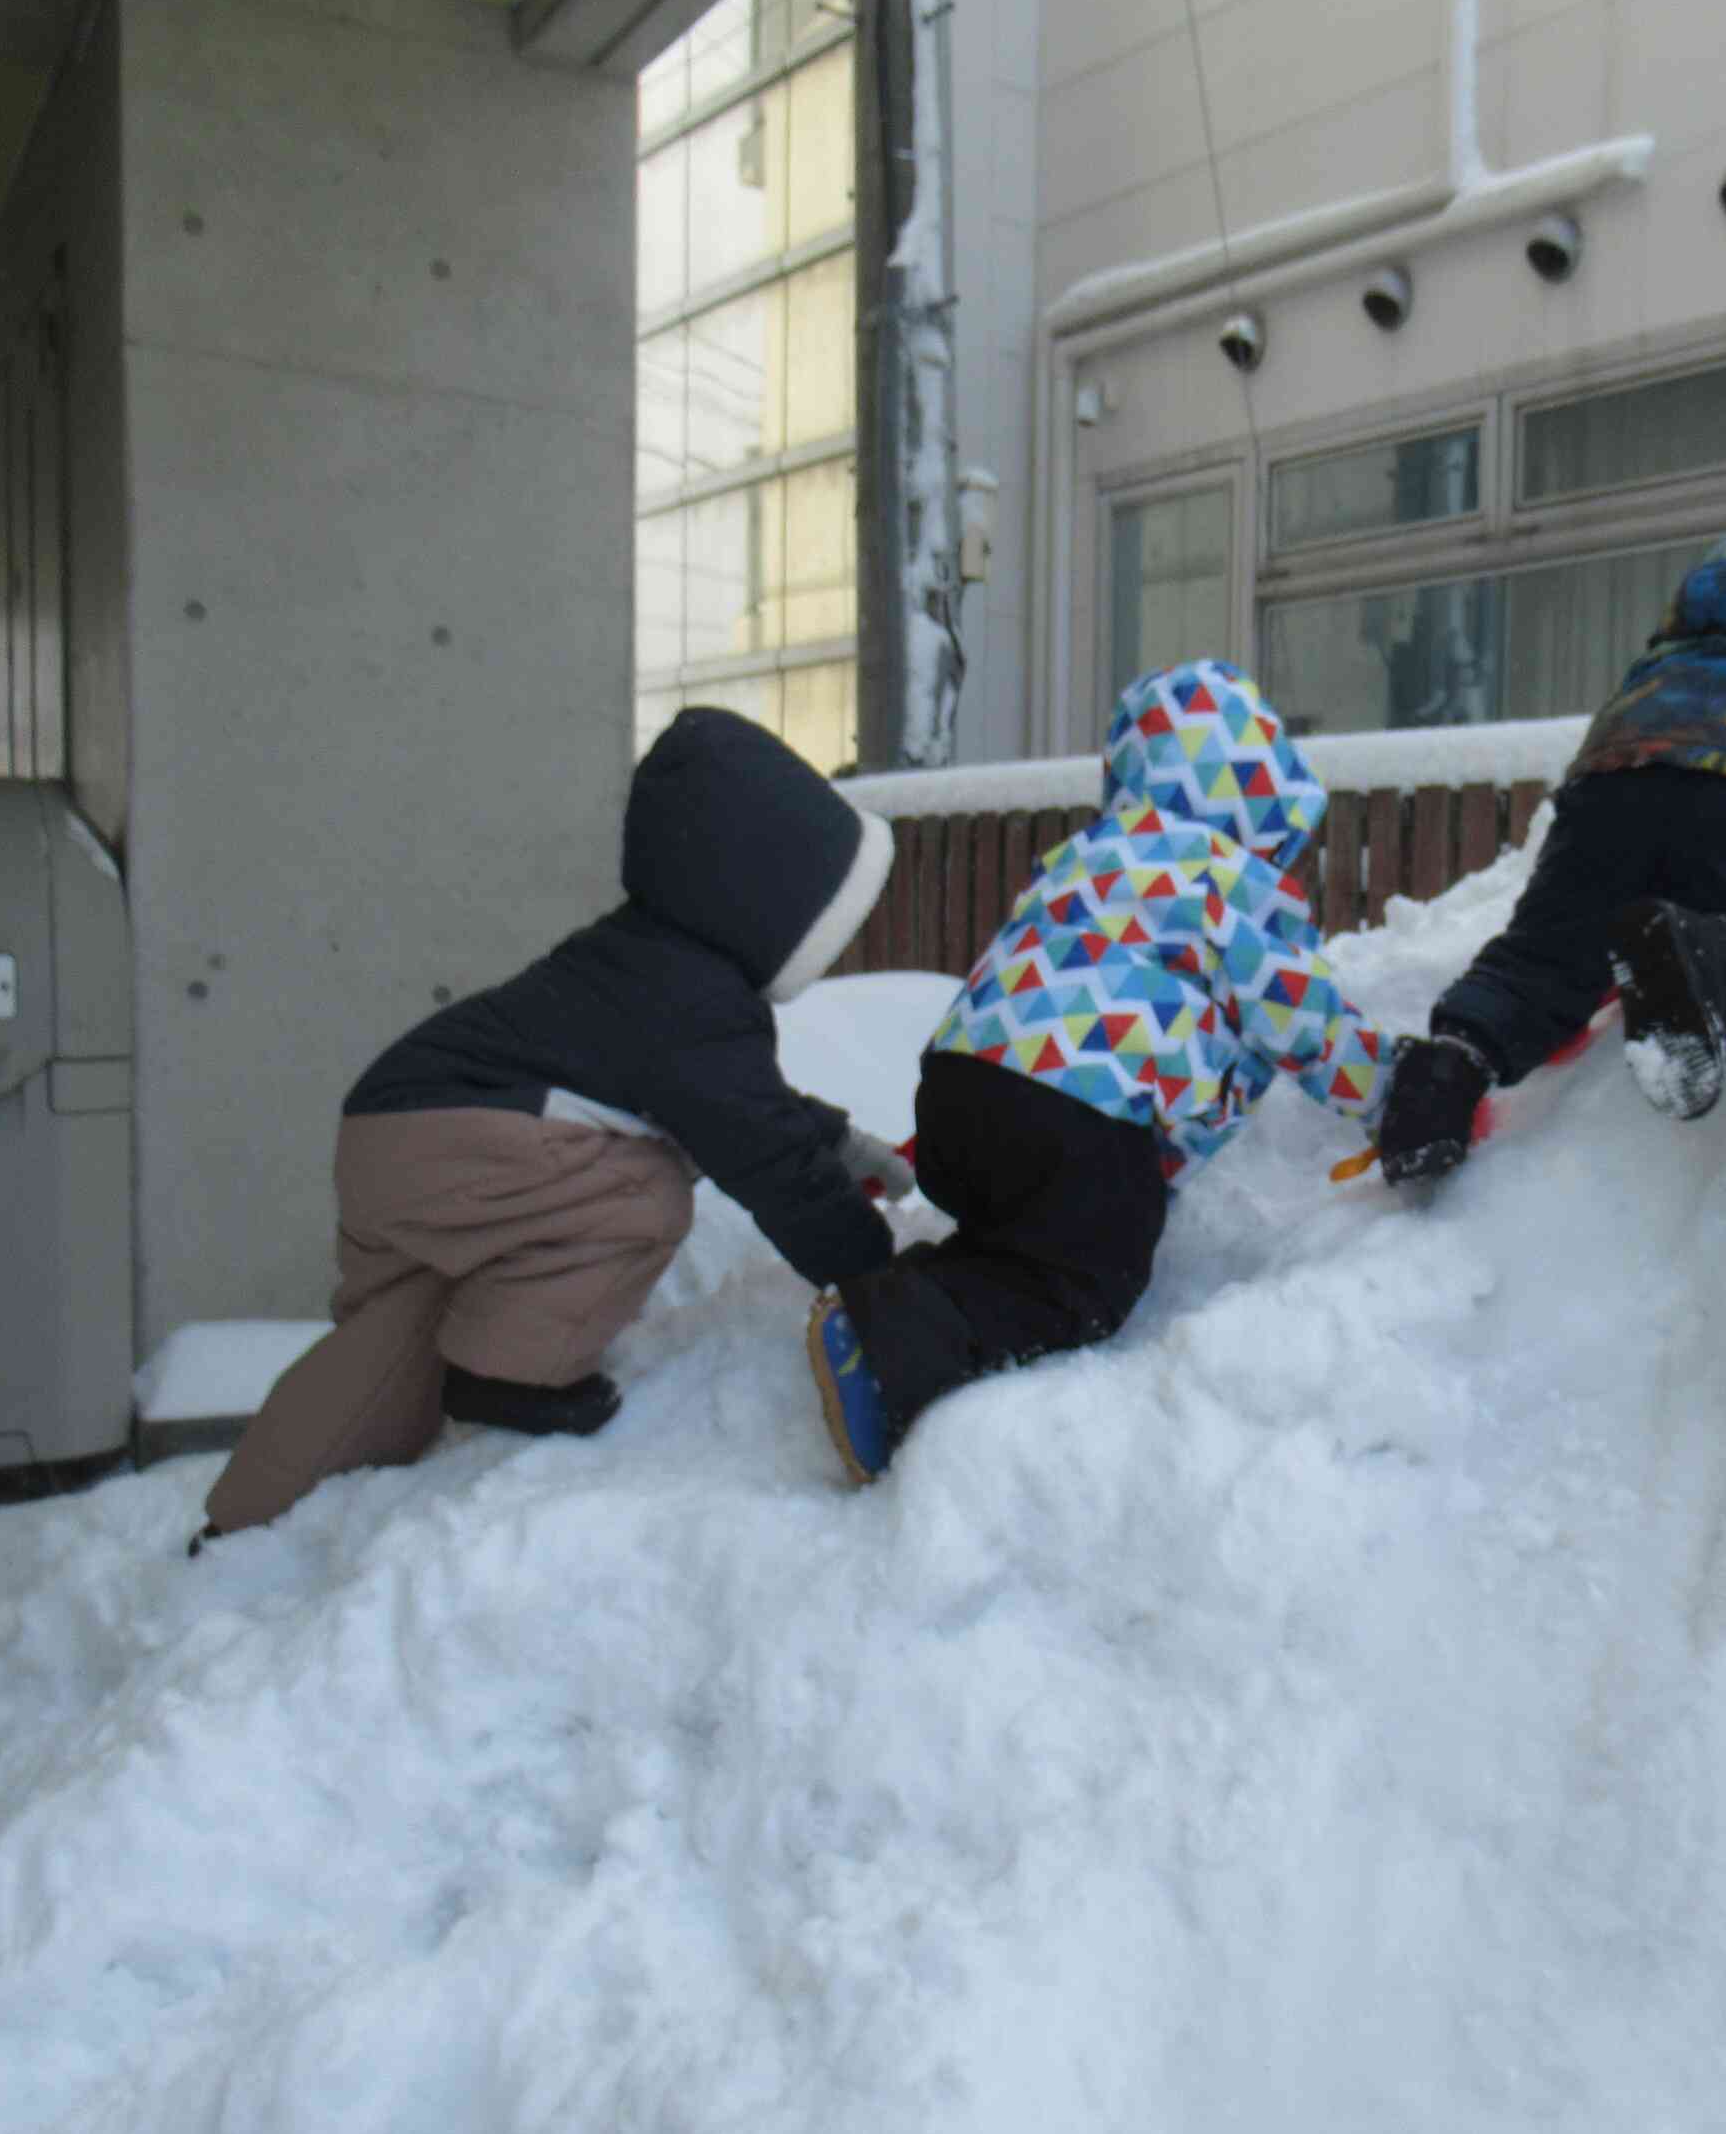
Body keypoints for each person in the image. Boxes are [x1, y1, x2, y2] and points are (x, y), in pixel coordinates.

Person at [196, 706, 908, 1544]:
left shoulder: (653, 969)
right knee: (643, 1194)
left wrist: (831, 1138)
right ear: (760, 896)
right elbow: (763, 1158)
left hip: (398, 1130)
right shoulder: (691, 1002)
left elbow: (744, 1107)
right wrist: (881, 1281)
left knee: (393, 1347)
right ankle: (512, 1377)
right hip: (452, 1135)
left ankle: (242, 1531)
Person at [806, 659, 1398, 1482]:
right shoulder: (1222, 880)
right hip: (1073, 1110)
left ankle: (894, 1300)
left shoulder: (1080, 868)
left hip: (960, 1091)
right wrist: (1389, 1092)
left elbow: (1027, 1009)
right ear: (1257, 802)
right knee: (1086, 1280)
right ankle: (899, 1338)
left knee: (1020, 1236)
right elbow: (1296, 1008)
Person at [1374, 489, 1726, 1183]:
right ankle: (1715, 967)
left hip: (1610, 795)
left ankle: (1448, 1068)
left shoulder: (1668, 658)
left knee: (1540, 962)